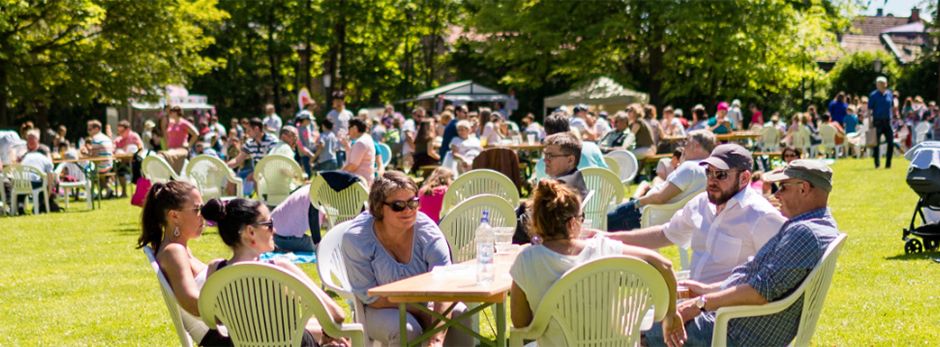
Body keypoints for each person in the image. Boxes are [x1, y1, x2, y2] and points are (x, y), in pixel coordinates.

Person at [646, 160, 840, 346]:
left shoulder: (804, 233)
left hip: (736, 330)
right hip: (741, 322)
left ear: (804, 188)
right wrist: (709, 290)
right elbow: (762, 282)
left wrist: (699, 304)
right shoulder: (820, 225)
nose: (777, 195)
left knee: (639, 327)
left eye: (783, 187)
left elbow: (759, 292)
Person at [509, 180, 685, 347]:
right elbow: (665, 265)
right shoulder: (604, 248)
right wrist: (670, 312)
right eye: (581, 217)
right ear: (572, 223)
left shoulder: (526, 259)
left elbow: (521, 324)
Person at [604, 144, 786, 284]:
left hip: (725, 311)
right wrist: (607, 237)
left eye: (721, 174)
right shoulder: (701, 204)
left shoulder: (760, 216)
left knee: (640, 329)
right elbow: (663, 234)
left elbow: (776, 275)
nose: (712, 180)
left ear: (744, 178)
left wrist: (710, 298)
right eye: (708, 172)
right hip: (693, 299)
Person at [342, 172, 473, 346]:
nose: (409, 210)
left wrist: (436, 339)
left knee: (459, 314)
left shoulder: (428, 232)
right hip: (377, 307)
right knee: (407, 329)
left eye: (413, 203)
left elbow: (445, 283)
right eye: (398, 205)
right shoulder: (357, 238)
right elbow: (372, 297)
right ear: (379, 207)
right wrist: (421, 313)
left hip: (426, 301)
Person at [199, 198, 348, 347]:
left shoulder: (215, 270)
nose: (275, 230)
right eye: (269, 225)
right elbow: (336, 314)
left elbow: (217, 320)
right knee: (345, 337)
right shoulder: (280, 268)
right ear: (250, 232)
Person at [135, 181, 233, 346]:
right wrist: (235, 314)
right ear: (174, 216)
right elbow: (190, 301)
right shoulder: (174, 252)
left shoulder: (177, 249)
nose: (203, 215)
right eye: (197, 210)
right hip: (223, 338)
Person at [605, 130, 715, 231]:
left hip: (644, 215)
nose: (683, 146)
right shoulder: (710, 169)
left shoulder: (690, 168)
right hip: (668, 217)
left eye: (686, 142)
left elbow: (659, 198)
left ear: (696, 145)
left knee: (601, 222)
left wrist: (636, 203)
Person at [227, 118, 277, 197]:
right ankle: (233, 205)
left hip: (272, 171)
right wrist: (222, 166)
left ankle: (263, 201)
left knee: (255, 177)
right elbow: (237, 160)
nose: (246, 133)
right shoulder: (250, 143)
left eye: (249, 130)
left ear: (256, 129)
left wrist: (256, 172)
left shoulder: (272, 140)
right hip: (257, 171)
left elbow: (273, 162)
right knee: (231, 180)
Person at [16, 129, 59, 213]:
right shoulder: (25, 152)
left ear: (38, 139)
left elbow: (49, 165)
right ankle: (20, 205)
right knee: (21, 183)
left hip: (43, 177)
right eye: (28, 139)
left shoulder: (43, 150)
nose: (30, 141)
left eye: (32, 138)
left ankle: (41, 204)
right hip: (28, 180)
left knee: (47, 182)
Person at [868, 76, 895, 168]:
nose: (879, 85)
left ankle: (888, 164)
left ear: (885, 84)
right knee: (876, 144)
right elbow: (869, 110)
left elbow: (892, 107)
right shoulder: (873, 95)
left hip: (887, 121)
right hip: (877, 121)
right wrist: (870, 122)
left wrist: (894, 117)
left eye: (881, 84)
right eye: (878, 84)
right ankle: (877, 164)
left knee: (891, 143)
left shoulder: (889, 94)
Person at [340, 119, 376, 186]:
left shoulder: (360, 142)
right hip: (364, 181)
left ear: (355, 128)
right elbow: (352, 161)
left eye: (349, 128)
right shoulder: (366, 138)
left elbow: (352, 166)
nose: (348, 132)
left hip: (360, 184)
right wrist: (346, 146)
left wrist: (338, 174)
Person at [113, 120, 144, 198]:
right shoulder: (118, 139)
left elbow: (140, 148)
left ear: (128, 129)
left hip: (134, 161)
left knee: (137, 165)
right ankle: (124, 192)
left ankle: (140, 192)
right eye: (118, 131)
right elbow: (113, 149)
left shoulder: (134, 136)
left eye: (122, 131)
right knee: (118, 168)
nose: (120, 133)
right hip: (123, 162)